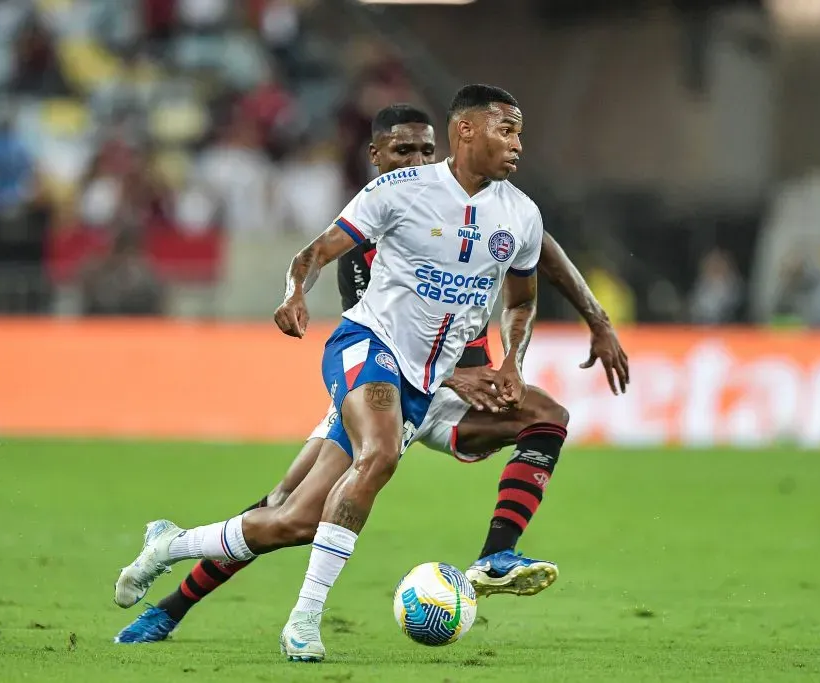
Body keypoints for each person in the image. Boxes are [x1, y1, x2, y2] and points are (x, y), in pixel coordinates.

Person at [112, 93, 629, 657]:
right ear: (377, 155)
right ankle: (245, 615)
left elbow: (538, 263)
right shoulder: (383, 216)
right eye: (401, 149)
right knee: (301, 495)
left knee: (302, 517)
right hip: (375, 363)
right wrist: (295, 296)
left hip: (435, 389)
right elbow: (323, 263)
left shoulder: (512, 211)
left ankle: (494, 555)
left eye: (422, 150)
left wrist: (542, 348)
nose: (412, 160)